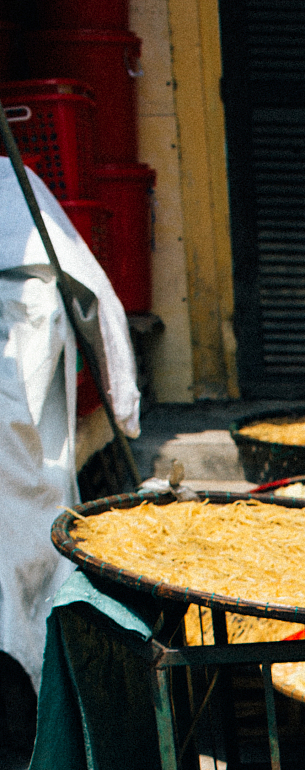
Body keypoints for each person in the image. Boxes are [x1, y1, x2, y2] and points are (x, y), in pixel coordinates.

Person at [0, 153, 138, 703]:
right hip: (25, 336)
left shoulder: (12, 184)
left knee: (36, 497)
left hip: (26, 331)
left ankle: (43, 675)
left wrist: (122, 398)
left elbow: (89, 282)